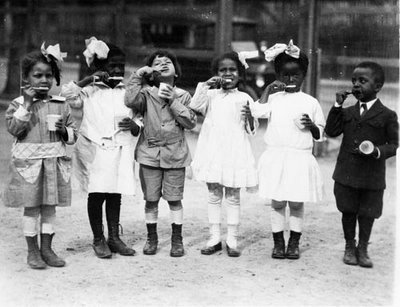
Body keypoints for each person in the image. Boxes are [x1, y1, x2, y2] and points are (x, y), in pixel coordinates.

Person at [61, 37, 141, 259]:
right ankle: (98, 237)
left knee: (115, 192)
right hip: (95, 148)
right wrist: (89, 80)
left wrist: (135, 126)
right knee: (97, 194)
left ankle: (114, 237)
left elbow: (139, 116)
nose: (117, 70)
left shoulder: (127, 92)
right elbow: (67, 94)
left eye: (121, 67)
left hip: (119, 148)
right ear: (99, 68)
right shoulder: (89, 91)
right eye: (112, 66)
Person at [4, 43, 76, 269]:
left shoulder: (61, 106)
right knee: (32, 208)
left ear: (54, 78)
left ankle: (47, 248)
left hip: (53, 164)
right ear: (26, 78)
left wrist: (65, 131)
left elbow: (73, 135)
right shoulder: (18, 104)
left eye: (48, 75)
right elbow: (15, 130)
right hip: (30, 167)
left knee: (49, 208)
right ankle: (32, 250)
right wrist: (26, 104)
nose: (44, 80)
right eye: (38, 75)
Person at [251, 40, 325, 259]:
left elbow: (320, 132)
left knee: (296, 201)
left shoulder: (310, 102)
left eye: (296, 75)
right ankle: (278, 242)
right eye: (285, 75)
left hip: (299, 158)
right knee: (277, 201)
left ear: (304, 75)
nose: (290, 80)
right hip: (276, 156)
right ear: (278, 75)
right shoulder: (273, 98)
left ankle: (294, 242)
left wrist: (311, 126)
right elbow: (258, 112)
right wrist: (267, 90)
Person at [325, 62, 398, 268]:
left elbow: (395, 145)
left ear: (378, 86)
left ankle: (363, 248)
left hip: (371, 176)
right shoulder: (347, 112)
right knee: (347, 210)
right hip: (347, 173)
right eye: (354, 81)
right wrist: (338, 106)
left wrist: (377, 151)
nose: (356, 85)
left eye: (362, 81)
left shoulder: (387, 115)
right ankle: (350, 246)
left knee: (367, 213)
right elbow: (331, 131)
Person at [124, 50, 196, 257]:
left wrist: (173, 101)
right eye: (157, 63)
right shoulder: (145, 94)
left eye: (168, 62)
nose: (163, 64)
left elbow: (190, 122)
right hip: (149, 153)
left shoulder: (183, 95)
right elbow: (129, 101)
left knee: (174, 199)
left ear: (176, 71)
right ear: (151, 72)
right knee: (151, 199)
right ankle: (152, 237)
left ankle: (177, 239)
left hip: (176, 153)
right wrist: (138, 75)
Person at [189, 52, 258, 257]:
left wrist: (249, 119)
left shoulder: (245, 97)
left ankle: (233, 238)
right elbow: (194, 107)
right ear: (217, 74)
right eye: (223, 70)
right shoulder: (210, 95)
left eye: (232, 70)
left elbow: (251, 130)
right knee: (213, 194)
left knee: (234, 196)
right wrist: (206, 85)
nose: (228, 73)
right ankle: (214, 237)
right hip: (213, 149)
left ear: (240, 73)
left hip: (235, 150)